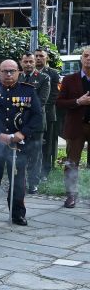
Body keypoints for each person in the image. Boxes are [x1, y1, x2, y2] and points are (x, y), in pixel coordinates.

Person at [0, 59, 42, 225]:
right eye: (5, 71)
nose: (8, 74)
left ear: (18, 72)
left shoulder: (28, 91)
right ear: (0, 72)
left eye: (12, 71)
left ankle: (18, 214)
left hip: (18, 144)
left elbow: (37, 117)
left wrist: (23, 133)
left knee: (18, 180)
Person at [56, 46, 90, 208]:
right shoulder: (69, 79)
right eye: (86, 55)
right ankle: (71, 195)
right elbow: (59, 102)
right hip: (77, 127)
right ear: (81, 59)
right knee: (72, 163)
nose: (89, 58)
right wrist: (78, 101)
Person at [19, 52, 50, 194]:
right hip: (18, 122)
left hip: (36, 123)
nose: (29, 64)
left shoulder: (44, 78)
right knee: (20, 152)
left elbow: (41, 101)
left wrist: (20, 103)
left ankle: (33, 183)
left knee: (35, 154)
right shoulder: (17, 77)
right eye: (26, 62)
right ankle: (20, 181)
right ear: (21, 63)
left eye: (31, 61)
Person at [34, 48, 61, 180]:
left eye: (41, 56)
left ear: (47, 58)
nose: (38, 58)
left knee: (47, 144)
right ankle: (33, 170)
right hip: (32, 116)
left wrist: (40, 109)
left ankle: (45, 171)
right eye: (36, 56)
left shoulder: (53, 74)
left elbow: (54, 96)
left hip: (48, 114)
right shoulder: (30, 73)